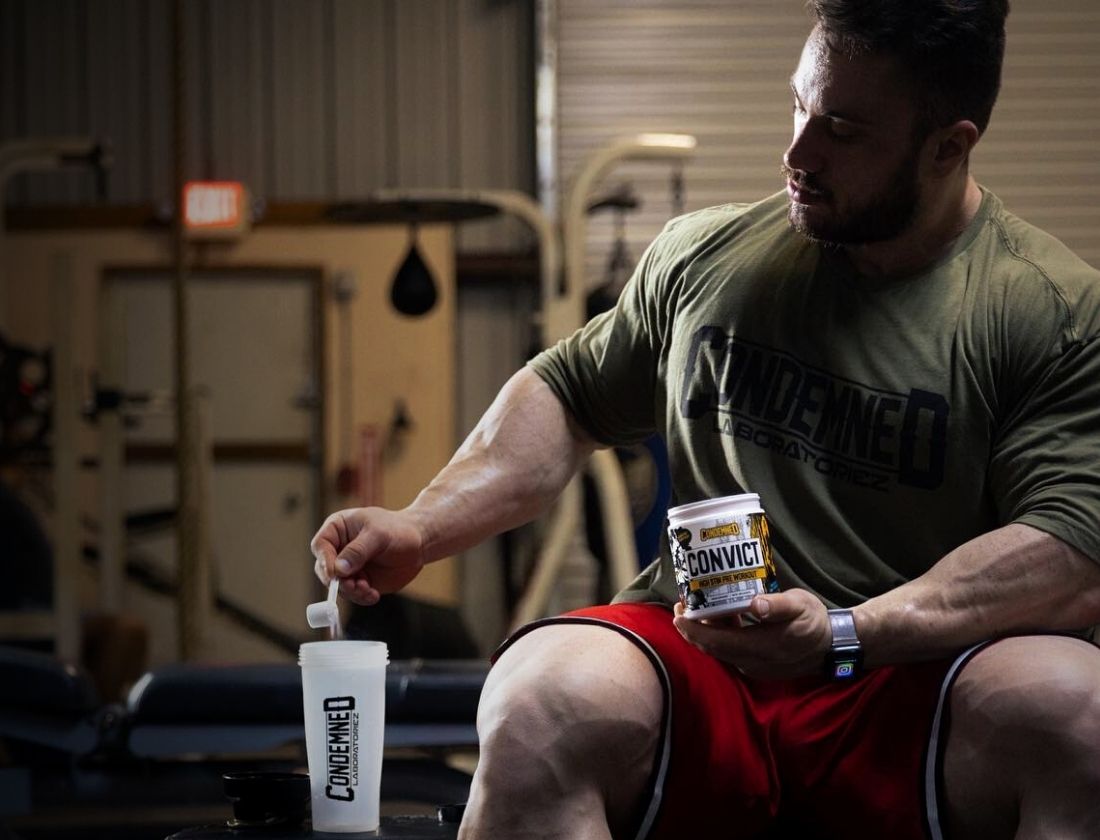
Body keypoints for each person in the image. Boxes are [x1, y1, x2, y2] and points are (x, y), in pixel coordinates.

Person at [311, 0, 1100, 837]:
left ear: (950, 145)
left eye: (842, 129)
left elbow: (1074, 550)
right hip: (702, 655)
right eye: (798, 105)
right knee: (539, 702)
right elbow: (569, 393)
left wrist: (847, 632)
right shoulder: (707, 256)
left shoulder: (1048, 311)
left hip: (917, 673)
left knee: (1078, 714)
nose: (798, 151)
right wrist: (421, 528)